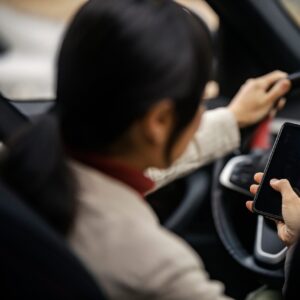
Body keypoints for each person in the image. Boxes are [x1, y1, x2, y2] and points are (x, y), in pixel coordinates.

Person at [0, 0, 291, 299]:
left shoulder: (22, 162)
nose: (201, 111)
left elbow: (136, 163)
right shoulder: (158, 268)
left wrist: (232, 119)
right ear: (159, 121)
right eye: (198, 101)